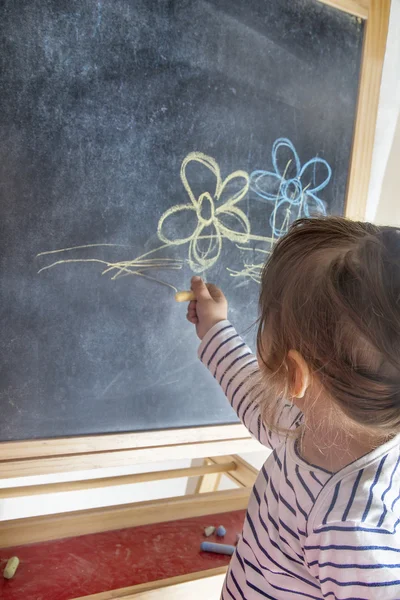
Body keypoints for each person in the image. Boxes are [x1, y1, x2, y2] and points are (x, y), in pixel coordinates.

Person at [186, 217, 400, 599]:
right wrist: (214, 328)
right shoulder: (315, 421)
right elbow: (252, 394)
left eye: (267, 319)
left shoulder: (351, 527)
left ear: (294, 376)